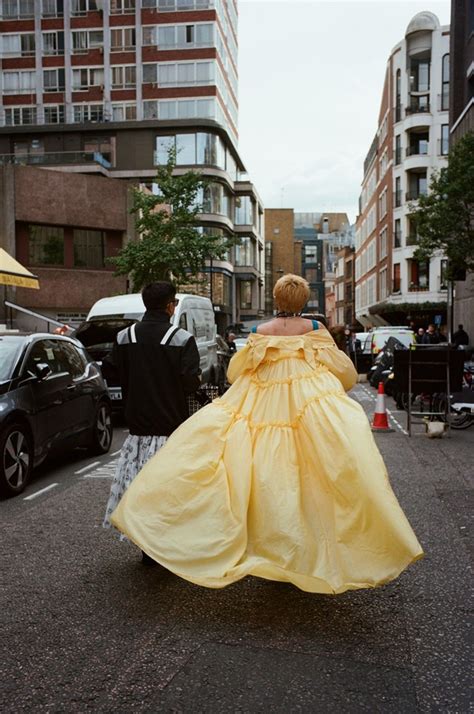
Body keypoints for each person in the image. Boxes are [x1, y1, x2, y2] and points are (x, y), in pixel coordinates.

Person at [111, 274, 423, 594]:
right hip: (308, 403)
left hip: (261, 403)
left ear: (276, 300)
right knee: (312, 471)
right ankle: (308, 546)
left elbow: (237, 370)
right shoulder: (316, 331)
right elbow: (343, 372)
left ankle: (265, 541)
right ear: (303, 302)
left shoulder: (260, 332)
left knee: (260, 471)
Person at [102, 281, 201, 554]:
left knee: (140, 489)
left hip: (137, 431)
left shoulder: (124, 338)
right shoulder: (181, 339)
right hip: (170, 431)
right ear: (171, 306)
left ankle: (146, 545)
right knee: (168, 492)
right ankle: (165, 545)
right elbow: (190, 383)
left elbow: (111, 370)